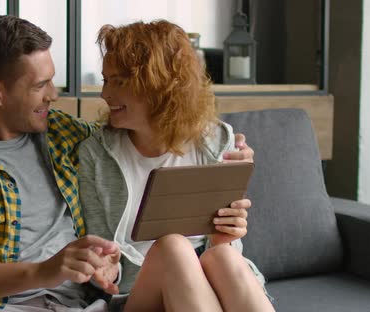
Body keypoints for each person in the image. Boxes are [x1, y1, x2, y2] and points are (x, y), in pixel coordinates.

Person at [0, 15, 255, 311]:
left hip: (86, 306)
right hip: (6, 306)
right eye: (40, 85)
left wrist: (227, 157)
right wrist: (46, 270)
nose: (54, 95)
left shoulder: (67, 136)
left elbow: (141, 131)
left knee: (202, 254)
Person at [78, 20, 275, 311]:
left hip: (207, 289)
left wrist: (226, 238)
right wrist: (106, 269)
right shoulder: (95, 155)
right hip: (136, 296)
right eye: (106, 80)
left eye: (118, 81)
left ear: (158, 84)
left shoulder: (218, 141)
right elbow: (102, 259)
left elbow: (224, 250)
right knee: (173, 246)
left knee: (223, 256)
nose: (105, 94)